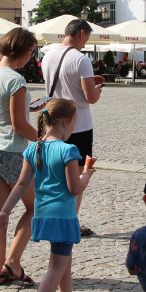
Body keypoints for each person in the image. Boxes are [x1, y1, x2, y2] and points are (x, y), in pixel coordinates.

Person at [0, 98, 96, 292]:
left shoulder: (33, 148)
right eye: (74, 125)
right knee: (57, 266)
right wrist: (87, 174)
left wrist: (5, 211)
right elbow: (74, 188)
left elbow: (20, 184)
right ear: (66, 122)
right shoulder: (69, 150)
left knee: (63, 257)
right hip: (63, 215)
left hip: (42, 214)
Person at [0, 28, 42, 287]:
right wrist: (44, 140)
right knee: (36, 208)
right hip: (12, 154)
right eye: (31, 51)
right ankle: (13, 263)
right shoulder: (16, 81)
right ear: (23, 50)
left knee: (0, 213)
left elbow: (2, 109)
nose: (31, 57)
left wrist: (30, 107)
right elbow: (19, 126)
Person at [40, 18, 104, 237]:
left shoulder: (47, 56)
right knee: (76, 177)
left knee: (55, 175)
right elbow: (90, 98)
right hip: (79, 124)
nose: (86, 43)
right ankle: (71, 223)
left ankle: (54, 217)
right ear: (81, 33)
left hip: (54, 122)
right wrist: (97, 89)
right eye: (86, 38)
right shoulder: (81, 59)